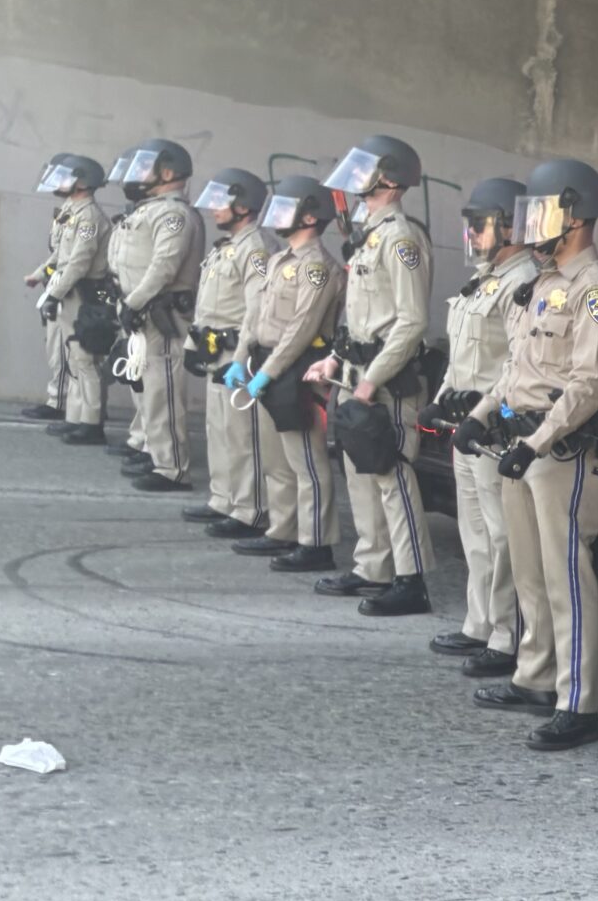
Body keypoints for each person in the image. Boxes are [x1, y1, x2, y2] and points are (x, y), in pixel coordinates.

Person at [460, 157, 598, 751]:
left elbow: (587, 383)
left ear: (576, 216)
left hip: (560, 452)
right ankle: (535, 676)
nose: (532, 224)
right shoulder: (545, 282)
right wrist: (479, 416)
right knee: (530, 574)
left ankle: (579, 703)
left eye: (545, 211)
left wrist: (534, 443)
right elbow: (517, 367)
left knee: (566, 579)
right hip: (519, 443)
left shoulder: (596, 289)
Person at [308, 135, 435, 616]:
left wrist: (370, 380)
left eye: (369, 171)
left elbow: (411, 321)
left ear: (390, 179)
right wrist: (336, 363)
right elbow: (360, 318)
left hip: (388, 381)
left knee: (393, 478)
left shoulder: (401, 238)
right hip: (358, 374)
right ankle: (373, 566)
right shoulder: (369, 237)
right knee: (361, 474)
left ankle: (411, 578)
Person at [428, 178, 539, 674]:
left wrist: (483, 414)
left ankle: (507, 634)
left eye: (481, 223)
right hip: (465, 425)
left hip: (495, 428)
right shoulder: (486, 278)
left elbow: (519, 362)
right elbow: (461, 357)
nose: (472, 233)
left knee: (501, 535)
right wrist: (439, 403)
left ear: (511, 226)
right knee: (474, 530)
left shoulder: (524, 280)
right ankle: (480, 622)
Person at [225, 175, 347, 570]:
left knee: (307, 460)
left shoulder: (317, 268)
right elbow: (254, 315)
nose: (276, 216)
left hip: (296, 368)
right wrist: (241, 358)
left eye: (287, 208)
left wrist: (269, 373)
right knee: (279, 458)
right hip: (266, 361)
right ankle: (283, 529)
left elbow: (302, 327)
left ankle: (316, 543)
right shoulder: (279, 259)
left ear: (310, 216)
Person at [103, 139, 204, 495]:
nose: (137, 175)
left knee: (163, 391)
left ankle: (172, 468)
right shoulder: (150, 208)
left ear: (167, 172)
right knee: (144, 386)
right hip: (139, 310)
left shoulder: (173, 213)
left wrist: (135, 302)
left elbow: (163, 267)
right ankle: (151, 447)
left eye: (146, 167)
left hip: (161, 315)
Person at [185, 169, 281, 537]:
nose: (213, 210)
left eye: (221, 203)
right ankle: (223, 499)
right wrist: (193, 345)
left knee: (244, 435)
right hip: (214, 349)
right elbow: (208, 305)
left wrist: (242, 354)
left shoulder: (256, 248)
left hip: (238, 351)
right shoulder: (227, 246)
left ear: (243, 205)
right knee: (219, 430)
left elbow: (256, 308)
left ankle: (250, 509)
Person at [29, 154, 111, 445]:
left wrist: (54, 293)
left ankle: (90, 422)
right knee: (74, 359)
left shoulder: (88, 216)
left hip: (82, 294)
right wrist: (41, 276)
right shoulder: (73, 211)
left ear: (82, 181)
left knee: (84, 359)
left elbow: (79, 262)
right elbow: (61, 255)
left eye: (67, 177)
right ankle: (76, 418)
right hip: (68, 290)